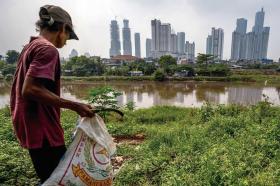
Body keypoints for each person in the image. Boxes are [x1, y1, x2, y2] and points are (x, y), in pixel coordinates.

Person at [10, 5, 95, 184]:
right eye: (68, 36)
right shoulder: (48, 49)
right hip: (43, 130)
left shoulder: (30, 46)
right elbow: (30, 89)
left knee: (49, 177)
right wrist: (75, 106)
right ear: (63, 28)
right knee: (59, 180)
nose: (66, 42)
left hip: (30, 126)